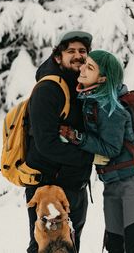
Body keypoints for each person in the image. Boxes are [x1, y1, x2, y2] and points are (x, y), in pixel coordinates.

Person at [60, 50, 134, 253]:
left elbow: (110, 149)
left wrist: (78, 138)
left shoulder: (112, 108)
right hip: (112, 184)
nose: (82, 68)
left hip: (132, 184)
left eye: (90, 67)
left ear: (102, 78)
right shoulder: (91, 99)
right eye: (85, 63)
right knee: (114, 245)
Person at [25, 31, 94, 253]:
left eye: (82, 51)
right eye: (70, 51)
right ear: (58, 57)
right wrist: (85, 157)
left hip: (73, 186)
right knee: (46, 247)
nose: (77, 56)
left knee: (70, 247)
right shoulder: (48, 89)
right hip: (49, 188)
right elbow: (45, 142)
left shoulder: (79, 87)